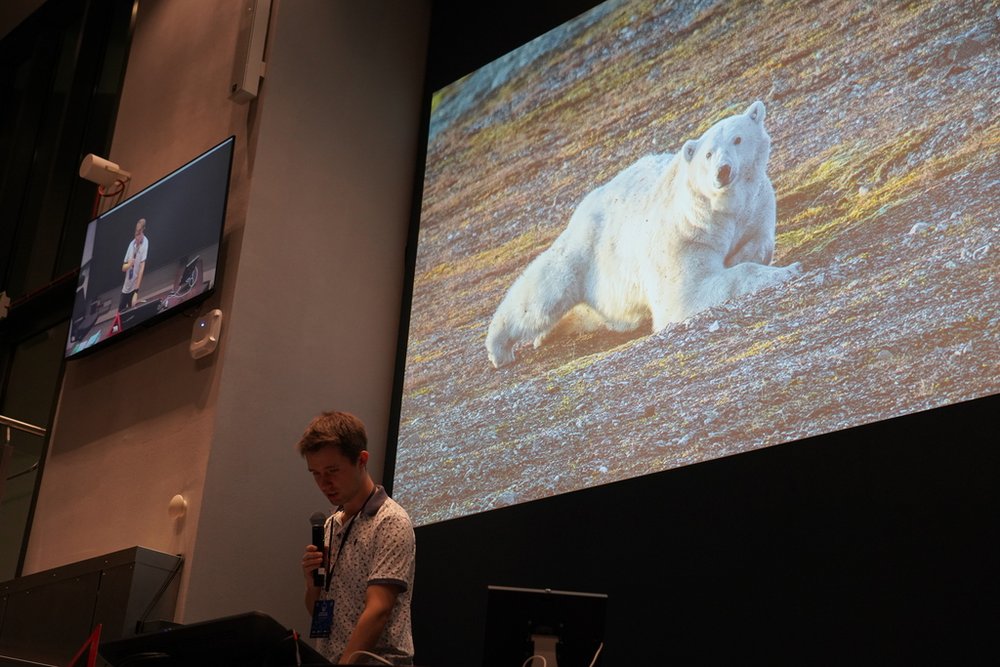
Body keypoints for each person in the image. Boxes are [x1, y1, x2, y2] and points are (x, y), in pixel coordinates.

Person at [298, 411, 415, 665]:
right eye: (315, 473)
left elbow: (378, 610)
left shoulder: (390, 521)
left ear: (361, 460)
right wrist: (312, 586)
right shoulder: (330, 525)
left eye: (332, 470)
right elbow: (320, 615)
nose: (323, 483)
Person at [119, 218, 148, 311]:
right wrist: (129, 264)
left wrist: (136, 292)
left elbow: (141, 268)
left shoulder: (146, 242)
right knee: (120, 314)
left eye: (139, 234)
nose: (137, 237)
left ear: (143, 230)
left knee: (131, 313)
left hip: (134, 287)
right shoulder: (131, 245)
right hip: (126, 288)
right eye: (136, 234)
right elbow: (123, 268)